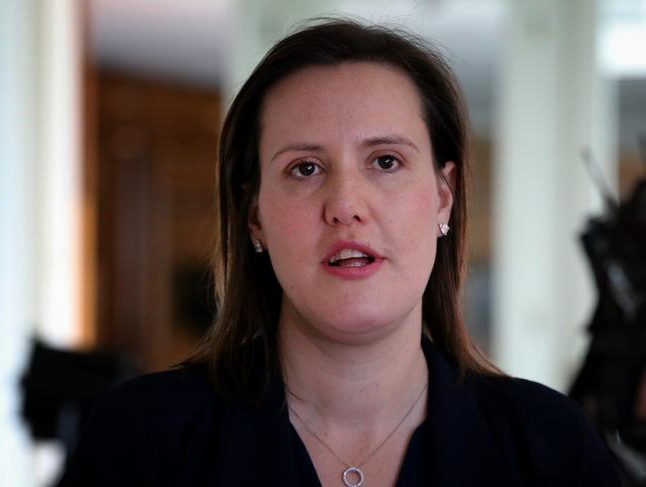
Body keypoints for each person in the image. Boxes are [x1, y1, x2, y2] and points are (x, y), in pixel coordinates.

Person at [59, 19, 621, 486]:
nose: (346, 205)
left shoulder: (550, 444)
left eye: (385, 162)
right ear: (255, 214)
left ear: (443, 198)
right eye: (305, 168)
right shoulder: (143, 436)